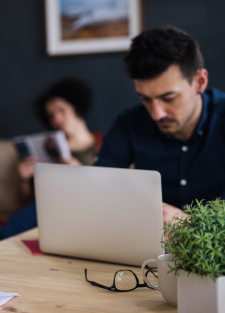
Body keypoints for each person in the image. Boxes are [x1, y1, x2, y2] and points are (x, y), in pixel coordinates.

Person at [95, 25, 225, 225]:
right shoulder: (129, 123)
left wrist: (190, 225)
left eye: (169, 98)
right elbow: (98, 190)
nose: (156, 114)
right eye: (145, 99)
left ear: (200, 81)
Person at [3, 78, 101, 237]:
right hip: (50, 206)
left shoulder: (104, 144)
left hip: (86, 207)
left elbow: (109, 190)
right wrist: (23, 179)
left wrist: (80, 172)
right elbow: (25, 200)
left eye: (61, 110)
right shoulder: (50, 149)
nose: (57, 119)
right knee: (13, 228)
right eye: (51, 116)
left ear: (76, 106)